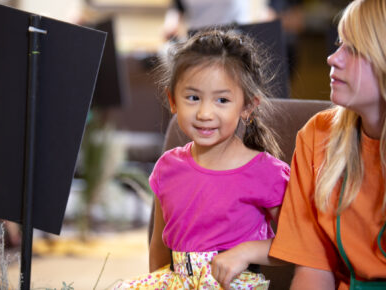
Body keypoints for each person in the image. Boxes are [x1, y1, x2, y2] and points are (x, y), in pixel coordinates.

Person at [113, 30, 290, 289]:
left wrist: (246, 252)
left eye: (222, 100)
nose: (205, 113)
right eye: (193, 98)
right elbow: (159, 247)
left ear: (247, 107)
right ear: (173, 100)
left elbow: (298, 244)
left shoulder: (268, 173)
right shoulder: (167, 167)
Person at [269, 0, 386, 289]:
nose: (333, 58)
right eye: (339, 43)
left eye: (354, 49)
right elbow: (313, 270)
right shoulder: (317, 135)